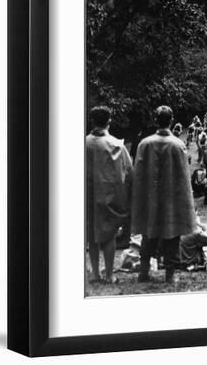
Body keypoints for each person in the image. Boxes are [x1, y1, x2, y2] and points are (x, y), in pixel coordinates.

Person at [131, 106, 195, 284]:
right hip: (171, 199)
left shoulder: (145, 144)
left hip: (150, 198)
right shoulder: (178, 145)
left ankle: (144, 272)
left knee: (148, 234)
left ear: (154, 120)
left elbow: (139, 175)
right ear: (172, 120)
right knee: (172, 236)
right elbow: (184, 177)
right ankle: (170, 274)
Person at [86, 106, 133, 284]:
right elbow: (128, 170)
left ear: (92, 121)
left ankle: (95, 273)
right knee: (109, 235)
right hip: (109, 195)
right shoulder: (117, 145)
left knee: (92, 234)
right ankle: (109, 274)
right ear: (109, 122)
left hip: (88, 194)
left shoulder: (84, 143)